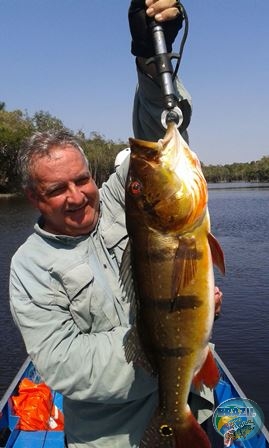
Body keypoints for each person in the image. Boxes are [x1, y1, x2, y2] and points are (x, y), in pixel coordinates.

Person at [9, 1, 222, 447]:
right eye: (56, 189)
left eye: (82, 179)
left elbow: (153, 136)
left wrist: (148, 60)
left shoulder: (121, 201)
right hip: (111, 435)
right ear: (34, 197)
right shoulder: (28, 268)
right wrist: (166, 336)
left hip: (193, 402)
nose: (77, 196)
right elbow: (64, 364)